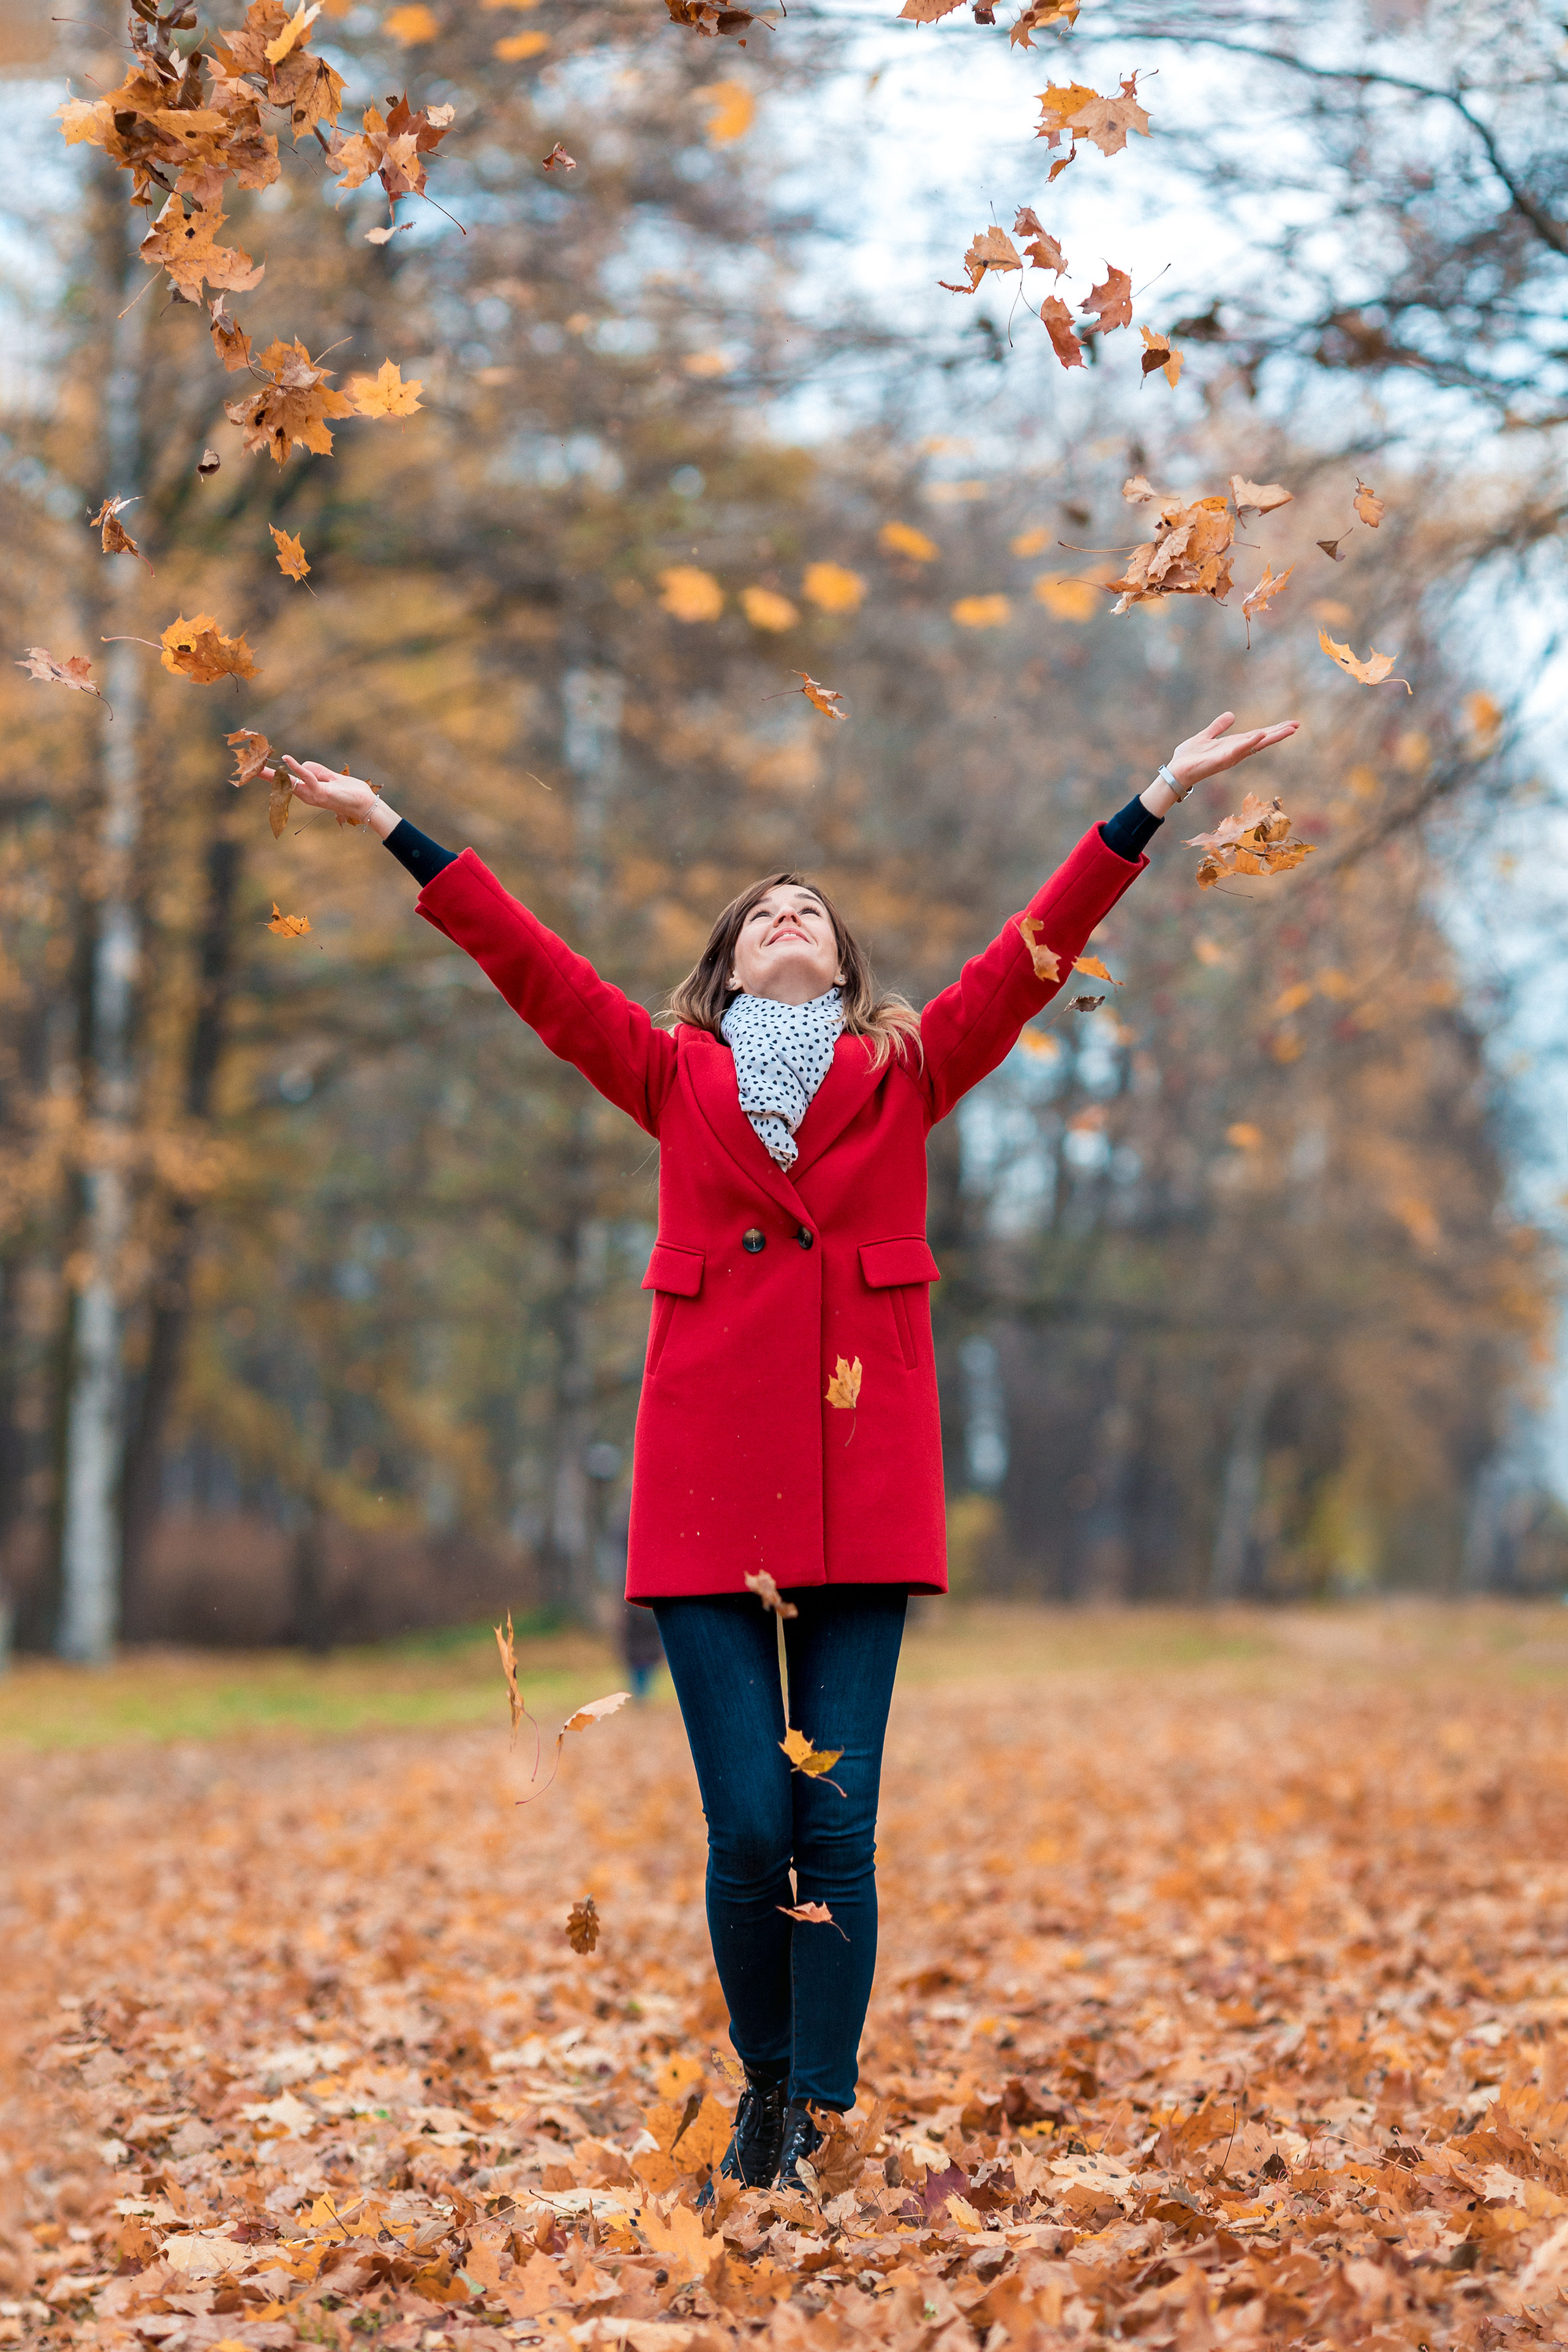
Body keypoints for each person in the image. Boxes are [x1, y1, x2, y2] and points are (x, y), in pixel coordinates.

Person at [274, 709, 1297, 2192]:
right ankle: (763, 2089)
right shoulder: (662, 1072)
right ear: (728, 964)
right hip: (703, 1498)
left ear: (843, 961)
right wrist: (389, 825)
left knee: (838, 1821)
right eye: (763, 916)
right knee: (749, 1827)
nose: (789, 915)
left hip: (857, 1488)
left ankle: (807, 2115)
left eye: (808, 909)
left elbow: (1032, 951)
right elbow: (528, 966)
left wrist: (1152, 796)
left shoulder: (909, 1072)